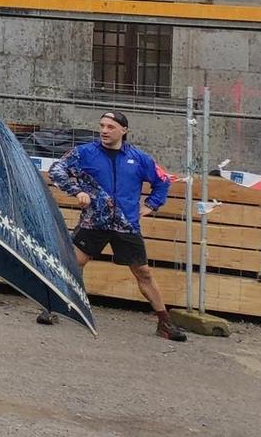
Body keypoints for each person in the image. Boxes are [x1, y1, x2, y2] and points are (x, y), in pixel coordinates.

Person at [49, 111, 186, 342]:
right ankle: (52, 308)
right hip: (94, 221)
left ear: (124, 130)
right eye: (102, 125)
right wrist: (78, 191)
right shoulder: (85, 153)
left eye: (111, 127)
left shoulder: (140, 158)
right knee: (73, 263)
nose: (104, 130)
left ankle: (164, 322)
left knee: (143, 272)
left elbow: (162, 180)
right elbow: (56, 170)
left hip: (126, 224)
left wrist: (152, 205)